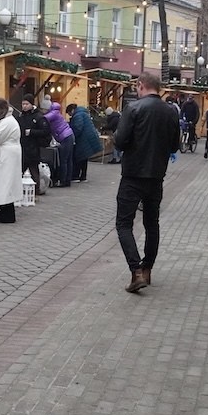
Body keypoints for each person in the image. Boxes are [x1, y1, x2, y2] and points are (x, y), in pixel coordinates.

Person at [113, 75, 180, 294]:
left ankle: (136, 271)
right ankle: (147, 268)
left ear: (140, 86)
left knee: (124, 224)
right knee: (152, 223)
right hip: (156, 175)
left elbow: (120, 141)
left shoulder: (133, 108)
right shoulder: (170, 111)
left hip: (133, 175)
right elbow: (175, 145)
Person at [15, 93, 50, 194]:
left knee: (34, 169)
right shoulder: (20, 116)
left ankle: (36, 190)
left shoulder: (38, 117)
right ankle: (18, 190)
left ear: (31, 104)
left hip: (33, 148)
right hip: (22, 147)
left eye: (26, 104)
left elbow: (46, 131)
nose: (24, 106)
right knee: (20, 170)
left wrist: (32, 132)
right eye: (23, 104)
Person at [66, 104, 103, 182]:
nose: (70, 115)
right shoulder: (82, 113)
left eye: (69, 113)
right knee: (84, 157)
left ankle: (75, 176)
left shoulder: (78, 115)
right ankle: (83, 176)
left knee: (78, 157)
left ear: (72, 110)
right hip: (88, 137)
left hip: (83, 139)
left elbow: (77, 128)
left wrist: (72, 136)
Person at [45, 101, 75, 188]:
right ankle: (67, 180)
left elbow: (43, 119)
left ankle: (62, 181)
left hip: (64, 137)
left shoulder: (53, 113)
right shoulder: (56, 112)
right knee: (68, 160)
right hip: (69, 135)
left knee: (63, 160)